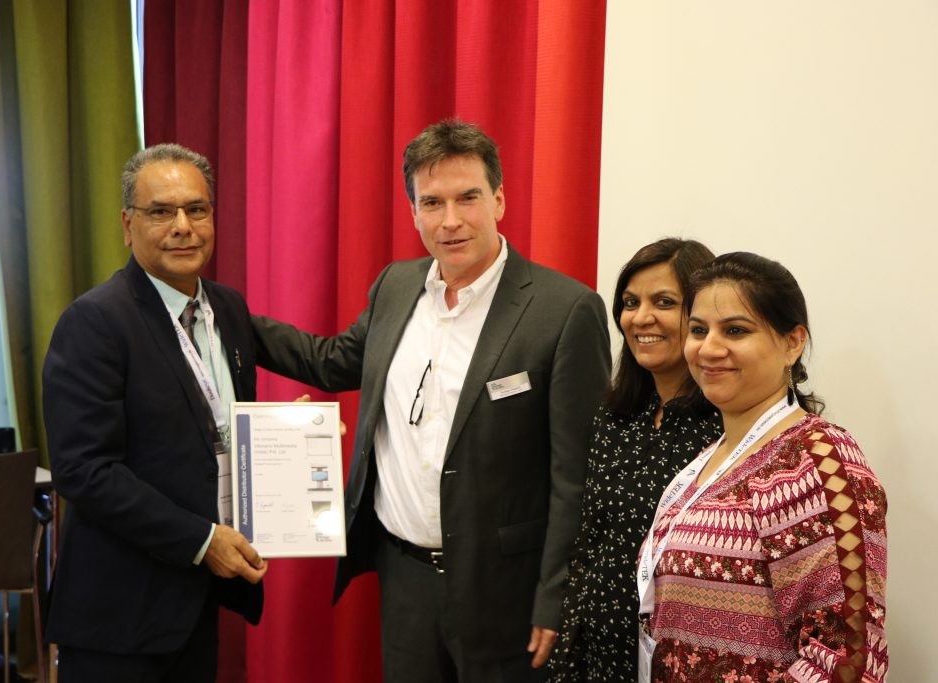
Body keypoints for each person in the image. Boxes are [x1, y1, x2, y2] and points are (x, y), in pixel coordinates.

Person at [251, 119, 611, 682]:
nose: (450, 220)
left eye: (468, 197)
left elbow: (577, 476)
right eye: (432, 202)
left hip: (507, 591)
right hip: (405, 578)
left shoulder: (564, 310)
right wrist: (227, 315)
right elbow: (331, 361)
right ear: (413, 212)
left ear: (498, 200)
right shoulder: (396, 287)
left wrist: (557, 594)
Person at [42, 143, 268, 683]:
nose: (183, 227)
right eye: (161, 211)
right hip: (118, 617)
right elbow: (85, 470)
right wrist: (201, 541)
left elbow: (214, 430)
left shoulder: (227, 309)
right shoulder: (96, 322)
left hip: (196, 606)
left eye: (197, 209)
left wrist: (281, 435)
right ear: (128, 225)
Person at [637, 252, 888, 682]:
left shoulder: (819, 461)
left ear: (792, 342)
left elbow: (848, 661)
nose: (709, 348)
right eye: (698, 330)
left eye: (735, 330)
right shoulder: (710, 459)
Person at [547, 238, 720, 682]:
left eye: (664, 302)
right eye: (630, 303)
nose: (641, 317)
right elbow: (588, 545)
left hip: (681, 662)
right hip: (599, 654)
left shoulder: (727, 428)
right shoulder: (615, 416)